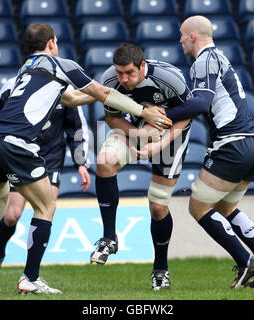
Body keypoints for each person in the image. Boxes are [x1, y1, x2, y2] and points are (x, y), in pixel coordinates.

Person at [0, 23, 172, 294]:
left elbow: (70, 100)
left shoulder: (26, 68)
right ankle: (30, 278)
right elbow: (102, 92)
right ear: (52, 43)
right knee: (46, 207)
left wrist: (109, 98)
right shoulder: (59, 64)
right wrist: (143, 111)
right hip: (17, 144)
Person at [134, 16, 254, 289]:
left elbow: (202, 102)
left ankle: (245, 262)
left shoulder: (203, 60)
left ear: (192, 36)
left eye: (181, 35)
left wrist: (163, 113)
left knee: (198, 207)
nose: (179, 40)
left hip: (233, 144)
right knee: (227, 208)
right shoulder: (219, 58)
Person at [63, 43, 192, 291]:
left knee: (157, 206)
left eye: (130, 73)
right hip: (135, 131)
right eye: (120, 73)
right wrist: (138, 134)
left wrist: (159, 142)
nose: (124, 79)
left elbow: (187, 115)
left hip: (171, 137)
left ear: (142, 66)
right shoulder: (110, 79)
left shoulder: (169, 78)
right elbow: (112, 118)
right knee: (104, 162)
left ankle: (160, 271)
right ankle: (109, 237)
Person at [0, 79, 91, 283]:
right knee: (11, 216)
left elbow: (77, 127)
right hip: (19, 155)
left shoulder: (65, 88)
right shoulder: (14, 85)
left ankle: (31, 275)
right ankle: (0, 254)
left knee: (46, 209)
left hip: (50, 159)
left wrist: (81, 162)